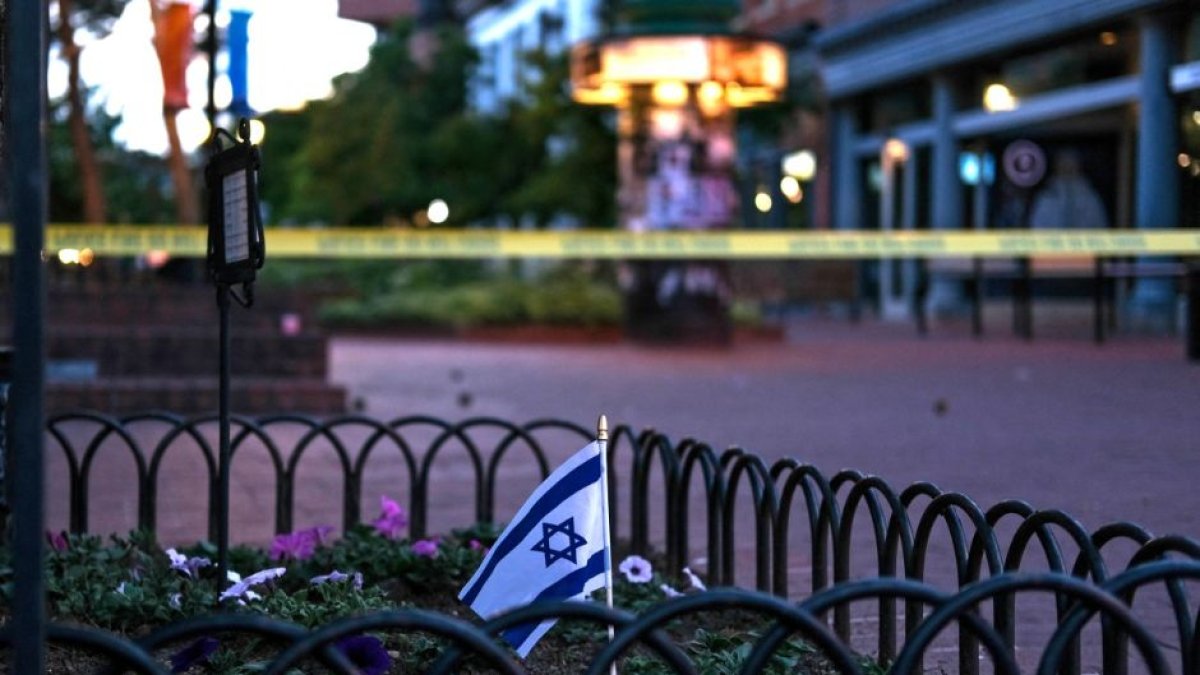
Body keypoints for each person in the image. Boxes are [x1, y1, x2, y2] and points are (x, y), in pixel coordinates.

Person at [1027, 150, 1109, 229]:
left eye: (1071, 164)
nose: (1067, 169)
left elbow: (1099, 225)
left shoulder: (1090, 198)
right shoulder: (1046, 197)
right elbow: (1037, 227)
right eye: (1064, 164)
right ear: (1057, 167)